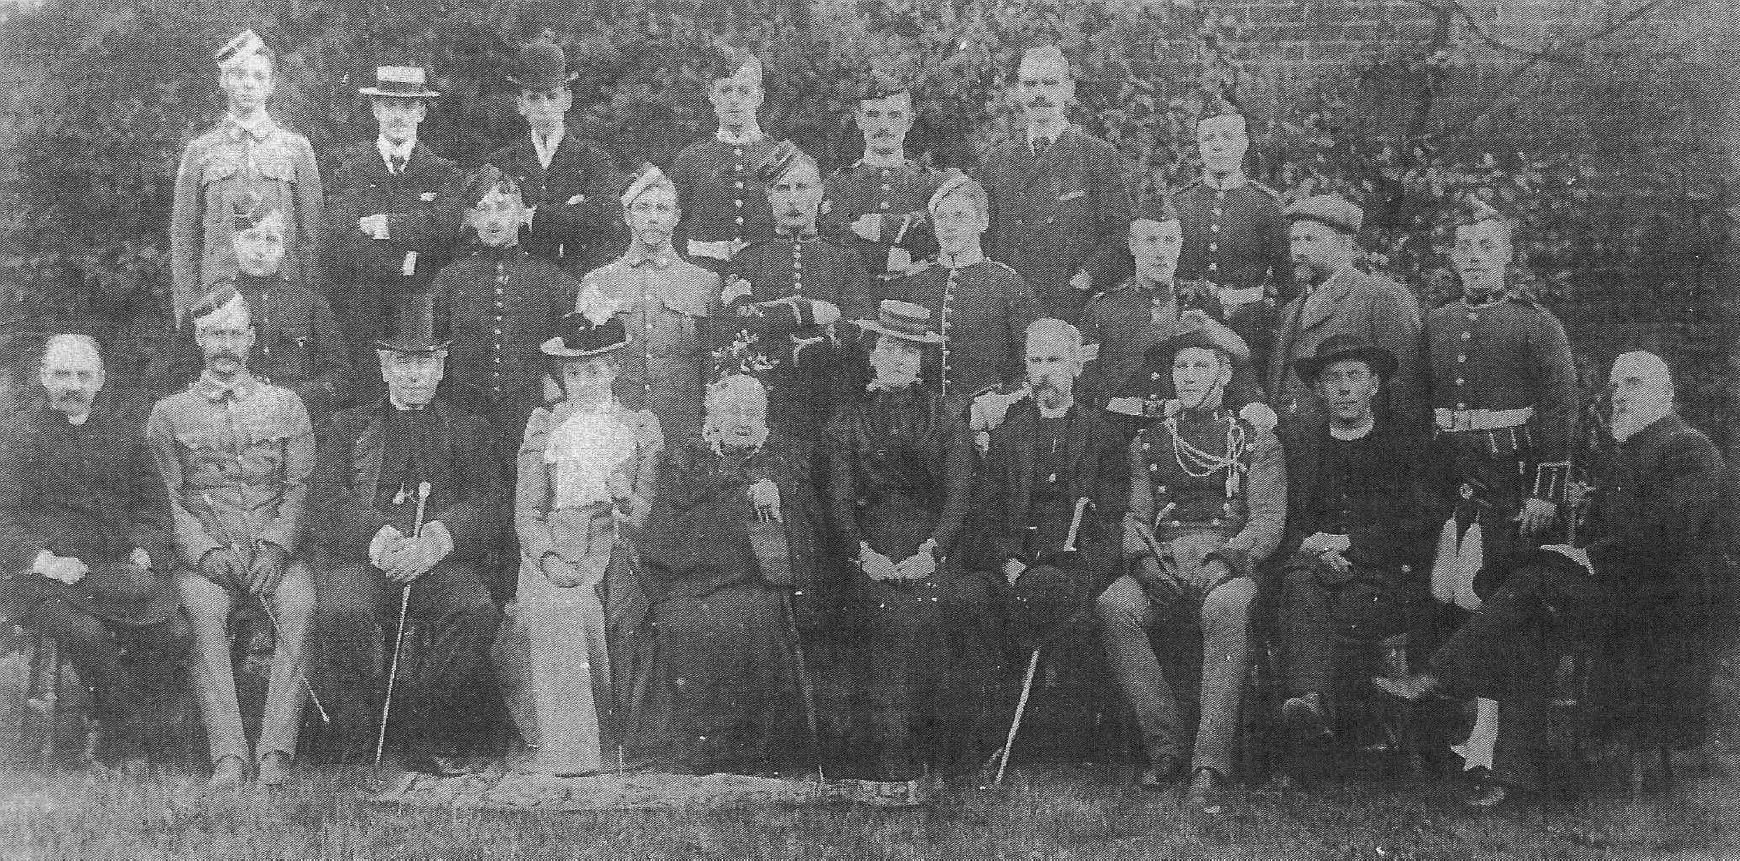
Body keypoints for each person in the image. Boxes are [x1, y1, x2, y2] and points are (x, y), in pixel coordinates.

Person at [1377, 351, 1729, 809]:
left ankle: (1440, 678)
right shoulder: (1629, 449)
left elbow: (1670, 536)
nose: (1619, 395)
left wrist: (1586, 553)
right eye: (1615, 385)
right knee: (1527, 612)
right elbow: (1615, 527)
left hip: (1665, 599)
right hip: (1620, 586)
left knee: (1533, 584)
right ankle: (1512, 774)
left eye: (1633, 384)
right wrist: (1576, 526)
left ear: (1665, 394)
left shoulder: (1687, 448)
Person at [308, 306, 504, 771]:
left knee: (475, 608)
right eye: (403, 361)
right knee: (342, 609)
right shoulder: (348, 427)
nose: (414, 374)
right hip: (369, 562)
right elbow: (324, 498)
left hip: (438, 565)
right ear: (383, 366)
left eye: (425, 362)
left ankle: (425, 730)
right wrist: (377, 538)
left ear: (440, 368)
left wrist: (437, 539)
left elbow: (491, 502)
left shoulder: (469, 430)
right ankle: (362, 736)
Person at [1097, 326, 1285, 811]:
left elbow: (1267, 521)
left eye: (1201, 365)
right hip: (1166, 556)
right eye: (1181, 366)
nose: (1188, 376)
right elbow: (1136, 516)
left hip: (1229, 560)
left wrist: (1225, 560)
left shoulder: (1255, 441)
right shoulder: (1149, 442)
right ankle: (1166, 749)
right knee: (1114, 604)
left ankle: (1210, 762)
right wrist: (1142, 563)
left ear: (1224, 373)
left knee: (1227, 606)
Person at [145, 287, 316, 787]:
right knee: (201, 610)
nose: (225, 344)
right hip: (208, 560)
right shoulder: (169, 414)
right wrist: (205, 552)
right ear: (199, 339)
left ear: (252, 338)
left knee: (300, 604)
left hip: (273, 556)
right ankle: (228, 755)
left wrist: (278, 547)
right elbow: (169, 497)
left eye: (234, 333)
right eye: (215, 333)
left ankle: (276, 752)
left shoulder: (287, 406)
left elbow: (299, 485)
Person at [0, 335, 185, 771]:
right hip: (40, 579)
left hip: (113, 571)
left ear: (100, 381)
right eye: (62, 374)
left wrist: (145, 547)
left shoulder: (124, 435)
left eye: (83, 375)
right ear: (44, 379)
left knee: (173, 631)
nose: (73, 385)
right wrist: (45, 561)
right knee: (89, 636)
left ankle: (153, 733)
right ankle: (121, 739)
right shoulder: (18, 438)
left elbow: (152, 507)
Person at [825, 300, 984, 783]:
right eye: (889, 349)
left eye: (909, 352)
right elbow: (838, 495)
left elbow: (959, 493)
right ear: (873, 354)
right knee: (880, 610)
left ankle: (939, 755)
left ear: (921, 362)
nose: (897, 360)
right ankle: (887, 756)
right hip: (868, 541)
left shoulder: (945, 414)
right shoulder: (848, 417)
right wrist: (863, 554)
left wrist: (931, 552)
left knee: (932, 605)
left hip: (932, 539)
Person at [629, 374, 821, 773]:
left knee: (759, 620)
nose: (743, 420)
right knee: (687, 625)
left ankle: (757, 750)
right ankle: (700, 747)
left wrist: (778, 496)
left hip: (755, 582)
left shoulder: (781, 461)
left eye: (752, 411)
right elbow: (664, 533)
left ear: (766, 420)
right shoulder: (685, 461)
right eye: (732, 411)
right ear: (711, 419)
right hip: (691, 580)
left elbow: (804, 528)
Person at [502, 305, 663, 775]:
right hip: (559, 538)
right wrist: (546, 556)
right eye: (575, 373)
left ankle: (625, 739)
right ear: (562, 377)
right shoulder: (544, 426)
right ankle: (574, 753)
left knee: (627, 609)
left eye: (596, 370)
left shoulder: (639, 426)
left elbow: (646, 512)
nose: (587, 382)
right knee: (558, 607)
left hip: (622, 539)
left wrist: (624, 495)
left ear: (614, 369)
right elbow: (528, 510)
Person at [1273, 335, 1431, 760]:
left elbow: (1418, 525)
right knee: (1300, 589)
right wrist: (1314, 549)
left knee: (1339, 608)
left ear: (1374, 386)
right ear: (1320, 389)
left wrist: (1349, 543)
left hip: (1383, 576)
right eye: (1333, 378)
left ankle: (1325, 717)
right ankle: (1311, 706)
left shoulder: (1402, 446)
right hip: (1315, 569)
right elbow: (1287, 520)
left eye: (1353, 376)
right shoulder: (1303, 446)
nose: (1343, 388)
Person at [1421, 205, 1576, 613]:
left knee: (1487, 588)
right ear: (1452, 259)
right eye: (1464, 248)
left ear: (1507, 254)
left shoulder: (1537, 325)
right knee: (1436, 586)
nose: (1473, 257)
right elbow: (1416, 405)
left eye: (1486, 247)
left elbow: (1559, 411)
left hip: (1507, 475)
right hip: (1444, 473)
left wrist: (1546, 494)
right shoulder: (1436, 323)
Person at [971, 319, 1126, 660]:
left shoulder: (1103, 435)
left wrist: (1082, 572)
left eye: (1053, 361)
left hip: (1077, 567)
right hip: (1015, 563)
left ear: (1076, 366)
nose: (1043, 372)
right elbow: (986, 514)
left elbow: (1114, 522)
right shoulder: (1008, 436)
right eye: (1035, 362)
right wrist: (1007, 563)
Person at [722, 140, 874, 442]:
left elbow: (862, 329)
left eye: (802, 187)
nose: (793, 199)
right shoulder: (748, 259)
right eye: (783, 189)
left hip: (835, 395)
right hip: (767, 396)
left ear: (819, 194)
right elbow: (742, 321)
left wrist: (808, 337)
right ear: (769, 197)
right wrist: (807, 312)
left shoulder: (844, 259)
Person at [326, 65, 462, 403]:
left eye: (406, 106)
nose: (397, 115)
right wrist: (406, 255)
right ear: (375, 110)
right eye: (389, 105)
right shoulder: (350, 169)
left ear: (421, 111)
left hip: (421, 308)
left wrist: (386, 225)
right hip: (363, 307)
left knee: (420, 403)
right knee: (366, 402)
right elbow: (341, 236)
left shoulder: (442, 172)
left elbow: (444, 230)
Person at [170, 29, 323, 325]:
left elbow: (312, 235)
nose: (248, 84)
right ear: (223, 81)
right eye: (239, 75)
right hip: (217, 296)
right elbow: (183, 237)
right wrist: (187, 310)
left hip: (282, 292)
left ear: (271, 85)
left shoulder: (296, 148)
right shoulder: (200, 151)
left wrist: (308, 302)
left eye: (258, 76)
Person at [160, 192, 350, 424]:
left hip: (291, 422)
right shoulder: (212, 302)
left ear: (284, 249)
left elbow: (340, 376)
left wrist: (291, 399)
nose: (261, 250)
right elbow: (177, 374)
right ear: (236, 243)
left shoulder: (310, 305)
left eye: (271, 240)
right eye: (252, 237)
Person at [429, 165, 580, 456]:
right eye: (482, 209)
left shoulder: (552, 279)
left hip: (531, 416)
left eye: (502, 207)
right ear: (471, 218)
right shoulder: (450, 279)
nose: (493, 219)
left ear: (523, 214)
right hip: (463, 414)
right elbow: (436, 348)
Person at [976, 45, 1134, 322]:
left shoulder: (1096, 155)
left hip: (1071, 306)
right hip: (1008, 305)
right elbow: (983, 235)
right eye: (1030, 84)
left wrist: (1084, 279)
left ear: (1069, 90)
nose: (1040, 94)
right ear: (1018, 91)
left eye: (1050, 83)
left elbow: (1120, 234)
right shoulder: (998, 159)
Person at [1078, 198, 1263, 432]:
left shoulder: (1203, 302)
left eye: (1169, 241)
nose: (1161, 252)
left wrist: (1252, 405)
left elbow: (1235, 367)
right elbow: (1085, 388)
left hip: (1187, 429)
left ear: (1180, 244)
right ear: (1132, 245)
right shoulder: (1102, 308)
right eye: (1151, 241)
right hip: (1118, 429)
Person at [578, 165, 720, 445]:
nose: (653, 218)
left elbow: (712, 364)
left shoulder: (706, 283)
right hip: (616, 429)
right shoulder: (599, 282)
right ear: (627, 216)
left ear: (677, 217)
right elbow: (584, 365)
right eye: (643, 208)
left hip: (682, 429)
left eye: (662, 209)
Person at [1268, 195, 1425, 434]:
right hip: (1295, 454)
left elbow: (1404, 391)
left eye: (1309, 239)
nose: (1298, 251)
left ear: (1344, 245)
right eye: (1294, 240)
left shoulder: (1381, 297)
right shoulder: (1292, 309)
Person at [885, 171, 1037, 412]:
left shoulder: (1008, 285)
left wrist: (1003, 401)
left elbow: (1031, 363)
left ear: (983, 222)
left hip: (988, 415)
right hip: (924, 420)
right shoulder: (914, 283)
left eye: (960, 216)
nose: (949, 227)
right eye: (941, 217)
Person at [486, 40, 629, 277]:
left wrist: (532, 216)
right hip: (518, 280)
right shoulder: (501, 163)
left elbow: (605, 218)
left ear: (567, 100)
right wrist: (572, 212)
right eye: (534, 97)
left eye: (552, 96)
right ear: (520, 105)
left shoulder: (593, 160)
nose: (544, 107)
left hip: (576, 277)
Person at [1171, 111, 1290, 374]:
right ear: (1198, 145)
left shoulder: (1266, 205)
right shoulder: (1180, 203)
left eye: (1227, 136)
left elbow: (1286, 282)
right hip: (1191, 324)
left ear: (1244, 143)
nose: (1217, 145)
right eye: (1208, 138)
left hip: (1250, 326)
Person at [821, 72, 941, 289]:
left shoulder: (931, 183)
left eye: (894, 115)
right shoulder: (838, 184)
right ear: (859, 119)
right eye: (873, 115)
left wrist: (879, 227)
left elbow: (942, 229)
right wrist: (886, 256)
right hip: (854, 294)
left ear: (909, 121)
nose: (883, 126)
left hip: (920, 294)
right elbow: (834, 240)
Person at [670, 47, 780, 270]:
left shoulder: (780, 156)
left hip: (764, 269)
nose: (734, 100)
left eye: (743, 91)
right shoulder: (690, 158)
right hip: (700, 268)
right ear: (712, 95)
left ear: (759, 97)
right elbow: (675, 223)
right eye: (726, 91)